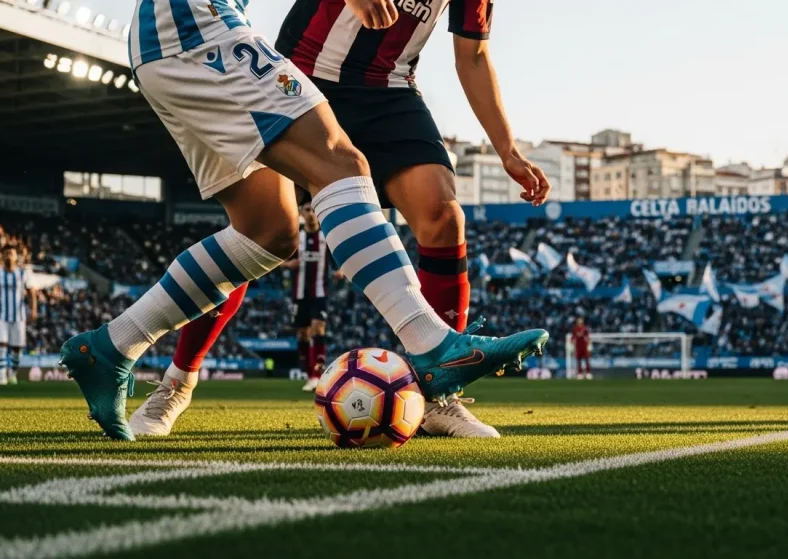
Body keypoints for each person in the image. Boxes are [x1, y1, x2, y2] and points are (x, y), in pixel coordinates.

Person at [62, 0, 549, 441]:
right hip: (267, 54)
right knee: (337, 169)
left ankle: (111, 347)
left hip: (380, 86)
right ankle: (432, 345)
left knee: (268, 233)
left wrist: (506, 149)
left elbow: (475, 54)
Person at [284, 202, 333, 391]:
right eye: (307, 210)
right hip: (299, 294)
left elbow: (339, 257)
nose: (311, 214)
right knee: (303, 333)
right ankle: (308, 375)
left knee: (318, 329)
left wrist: (341, 271)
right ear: (301, 214)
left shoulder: (326, 237)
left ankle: (317, 376)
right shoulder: (296, 238)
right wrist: (288, 265)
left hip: (320, 292)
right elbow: (277, 260)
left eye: (314, 210)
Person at [0, 247, 37, 386]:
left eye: (12, 253)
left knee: (17, 349)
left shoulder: (22, 274)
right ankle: (2, 378)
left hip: (19, 317)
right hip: (1, 316)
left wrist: (33, 310)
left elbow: (32, 292)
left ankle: (13, 374)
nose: (9, 255)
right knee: (1, 345)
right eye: (7, 253)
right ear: (3, 256)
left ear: (16, 257)